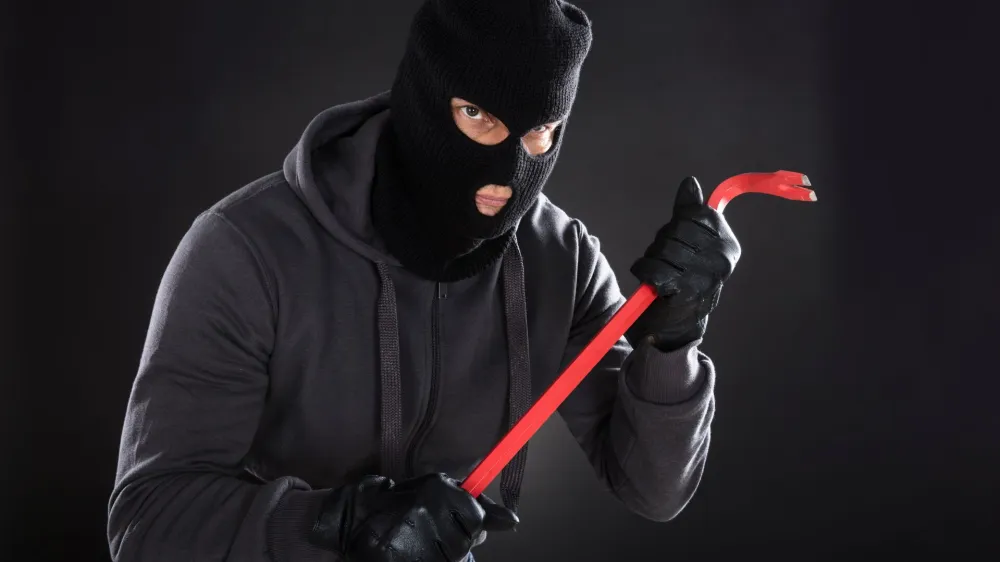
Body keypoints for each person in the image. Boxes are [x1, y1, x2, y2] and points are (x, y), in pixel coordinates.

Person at [107, 0, 741, 561]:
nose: (508, 167)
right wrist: (338, 525)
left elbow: (653, 489)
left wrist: (671, 346)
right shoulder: (244, 250)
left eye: (539, 133)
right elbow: (149, 523)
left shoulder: (559, 258)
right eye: (478, 116)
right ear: (424, 96)